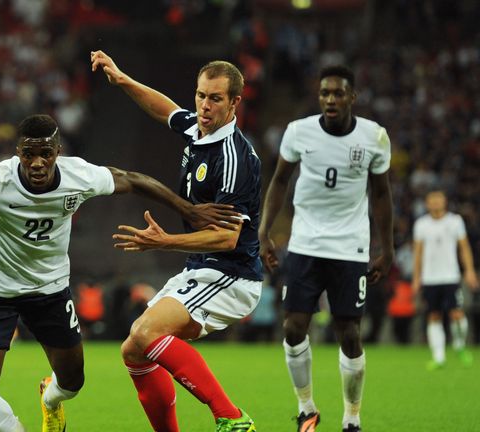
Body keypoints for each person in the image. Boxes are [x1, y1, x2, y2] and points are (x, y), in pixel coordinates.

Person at [0, 114, 239, 432]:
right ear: (18, 153)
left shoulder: (79, 175)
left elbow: (133, 179)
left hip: (50, 289)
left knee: (72, 382)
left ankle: (50, 399)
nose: (37, 163)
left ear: (57, 152)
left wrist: (189, 210)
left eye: (45, 154)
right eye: (29, 154)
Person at [92, 50, 262, 432]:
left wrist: (165, 242)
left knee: (145, 333)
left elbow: (226, 237)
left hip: (232, 274)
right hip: (204, 269)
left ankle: (233, 419)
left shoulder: (234, 157)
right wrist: (121, 79)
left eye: (215, 98)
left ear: (235, 102)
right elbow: (165, 109)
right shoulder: (198, 127)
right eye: (201, 95)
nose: (204, 105)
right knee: (134, 351)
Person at [258, 65, 394, 432]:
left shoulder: (374, 137)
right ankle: (307, 409)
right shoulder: (299, 132)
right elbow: (279, 181)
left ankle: (352, 417)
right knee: (293, 328)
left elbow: (381, 195)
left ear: (352, 97)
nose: (330, 100)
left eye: (337, 93)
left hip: (350, 248)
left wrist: (387, 249)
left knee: (349, 332)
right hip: (304, 245)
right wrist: (264, 231)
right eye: (324, 94)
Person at [412, 190, 478, 369]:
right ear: (426, 203)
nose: (435, 202)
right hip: (430, 278)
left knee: (456, 314)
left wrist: (469, 270)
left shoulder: (455, 221)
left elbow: (464, 247)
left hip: (450, 276)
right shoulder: (421, 224)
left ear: (445, 201)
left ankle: (459, 345)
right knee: (434, 316)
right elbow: (418, 253)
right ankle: (438, 357)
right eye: (431, 199)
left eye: (438, 199)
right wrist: (416, 277)